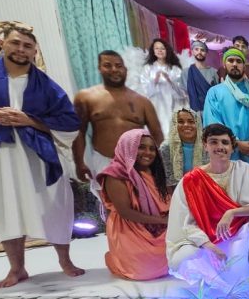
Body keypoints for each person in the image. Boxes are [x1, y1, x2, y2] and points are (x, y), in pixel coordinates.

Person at [0, 25, 84, 288]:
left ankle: (65, 260)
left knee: (54, 202)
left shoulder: (47, 86)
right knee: (4, 205)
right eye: (15, 43)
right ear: (2, 44)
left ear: (34, 52)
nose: (21, 50)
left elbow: (69, 122)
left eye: (27, 46)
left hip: (39, 154)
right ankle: (17, 268)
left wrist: (29, 120)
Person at [166, 123, 249, 291]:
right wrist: (209, 246)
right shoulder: (191, 181)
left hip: (238, 235)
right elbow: (186, 224)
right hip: (204, 240)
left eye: (225, 142)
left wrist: (232, 212)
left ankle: (239, 282)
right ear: (205, 146)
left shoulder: (243, 170)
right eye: (214, 142)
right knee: (183, 257)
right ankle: (215, 282)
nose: (220, 147)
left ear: (232, 148)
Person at [72, 50, 163, 201]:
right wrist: (79, 163)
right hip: (104, 161)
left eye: (118, 66)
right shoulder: (86, 97)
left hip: (137, 163)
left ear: (125, 69)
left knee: (140, 205)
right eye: (108, 65)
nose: (114, 69)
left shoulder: (142, 102)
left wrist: (155, 165)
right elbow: (79, 131)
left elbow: (157, 134)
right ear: (99, 68)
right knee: (111, 207)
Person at [97, 129, 171, 280]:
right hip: (129, 228)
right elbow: (125, 212)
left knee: (180, 260)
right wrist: (163, 221)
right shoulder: (115, 174)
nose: (148, 153)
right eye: (141, 147)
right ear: (127, 147)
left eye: (152, 149)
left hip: (160, 226)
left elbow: (165, 201)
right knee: (144, 272)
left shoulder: (155, 172)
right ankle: (117, 258)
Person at [203, 48, 249, 178]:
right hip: (229, 153)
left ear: (244, 65)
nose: (234, 64)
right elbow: (212, 124)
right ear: (224, 64)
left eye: (239, 61)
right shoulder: (215, 93)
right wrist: (237, 143)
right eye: (231, 60)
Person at [137, 38, 188, 135]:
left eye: (162, 48)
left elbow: (182, 92)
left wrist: (169, 80)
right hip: (156, 106)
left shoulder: (175, 69)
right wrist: (155, 81)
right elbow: (144, 91)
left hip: (173, 105)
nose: (160, 51)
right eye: (157, 48)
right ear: (153, 51)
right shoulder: (148, 68)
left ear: (167, 50)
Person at [159, 108, 207, 186]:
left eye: (191, 121)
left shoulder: (207, 146)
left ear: (198, 124)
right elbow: (167, 180)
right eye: (181, 122)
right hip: (175, 190)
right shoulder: (166, 148)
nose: (186, 125)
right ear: (174, 125)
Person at [185, 40, 218, 112]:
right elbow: (183, 93)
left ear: (206, 53)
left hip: (211, 110)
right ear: (192, 51)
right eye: (196, 49)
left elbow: (217, 93)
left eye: (202, 50)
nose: (199, 52)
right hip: (193, 111)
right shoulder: (186, 72)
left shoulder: (214, 71)